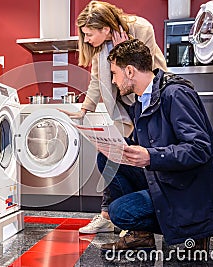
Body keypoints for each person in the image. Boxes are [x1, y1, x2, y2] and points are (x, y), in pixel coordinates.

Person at [99, 39, 213, 253]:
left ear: (129, 71)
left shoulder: (175, 94)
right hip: (166, 176)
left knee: (120, 212)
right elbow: (143, 147)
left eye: (114, 74)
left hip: (187, 189)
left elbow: (200, 148)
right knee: (108, 154)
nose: (114, 81)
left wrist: (151, 157)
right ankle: (141, 235)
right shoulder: (141, 102)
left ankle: (195, 228)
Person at [61, 0, 167, 234]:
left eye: (89, 34)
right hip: (125, 108)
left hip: (151, 105)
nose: (86, 39)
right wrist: (84, 109)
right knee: (110, 156)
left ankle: (133, 219)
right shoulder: (101, 49)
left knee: (137, 159)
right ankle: (114, 217)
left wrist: (126, 50)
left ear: (106, 29)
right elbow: (96, 81)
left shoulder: (142, 28)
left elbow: (143, 72)